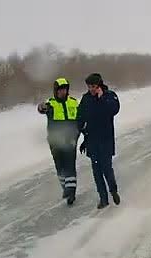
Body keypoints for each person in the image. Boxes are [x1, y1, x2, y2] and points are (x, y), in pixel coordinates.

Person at [77, 72, 121, 208]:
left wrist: (102, 98)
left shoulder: (109, 96)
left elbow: (114, 109)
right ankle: (103, 198)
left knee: (106, 168)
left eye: (94, 86)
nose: (91, 89)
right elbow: (80, 118)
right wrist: (82, 136)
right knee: (96, 171)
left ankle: (113, 191)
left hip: (106, 139)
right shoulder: (86, 99)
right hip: (92, 140)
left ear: (99, 85)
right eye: (89, 87)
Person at [37, 77, 81, 205]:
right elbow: (41, 109)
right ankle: (65, 188)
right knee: (60, 166)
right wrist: (41, 107)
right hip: (55, 141)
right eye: (60, 90)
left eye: (65, 89)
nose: (63, 92)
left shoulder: (73, 102)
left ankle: (71, 192)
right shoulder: (51, 104)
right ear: (55, 91)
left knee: (70, 165)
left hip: (70, 139)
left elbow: (80, 118)